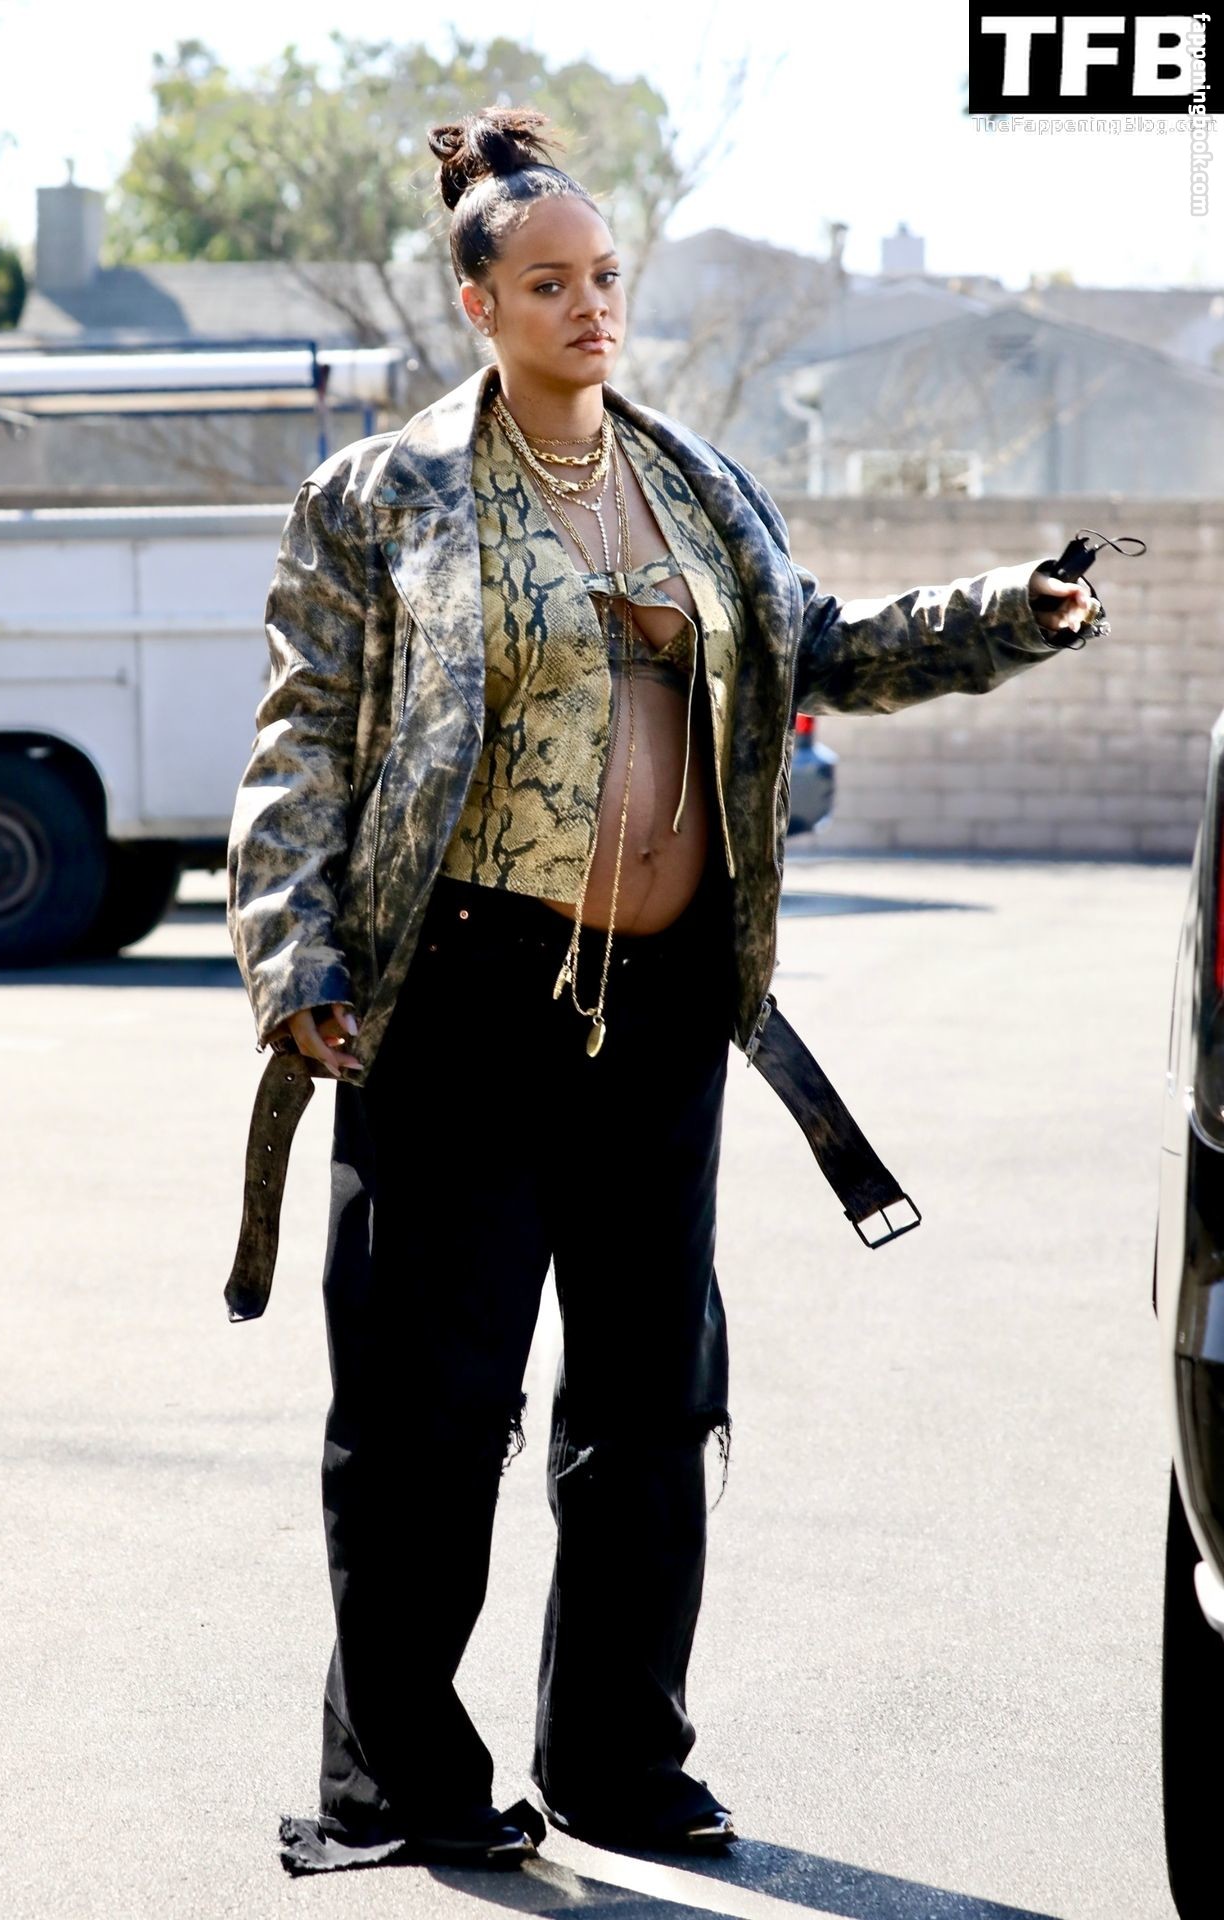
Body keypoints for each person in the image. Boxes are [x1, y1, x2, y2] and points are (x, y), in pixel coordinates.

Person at [224, 106, 1105, 1876]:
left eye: (606, 275)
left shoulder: (696, 484)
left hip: (666, 1008)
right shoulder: (385, 496)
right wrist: (294, 952)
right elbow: (304, 739)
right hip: (459, 995)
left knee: (650, 1398)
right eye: (550, 281)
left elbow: (822, 645)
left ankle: (622, 1759)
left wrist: (1012, 610)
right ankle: (403, 1775)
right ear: (479, 301)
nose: (590, 305)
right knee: (431, 1403)